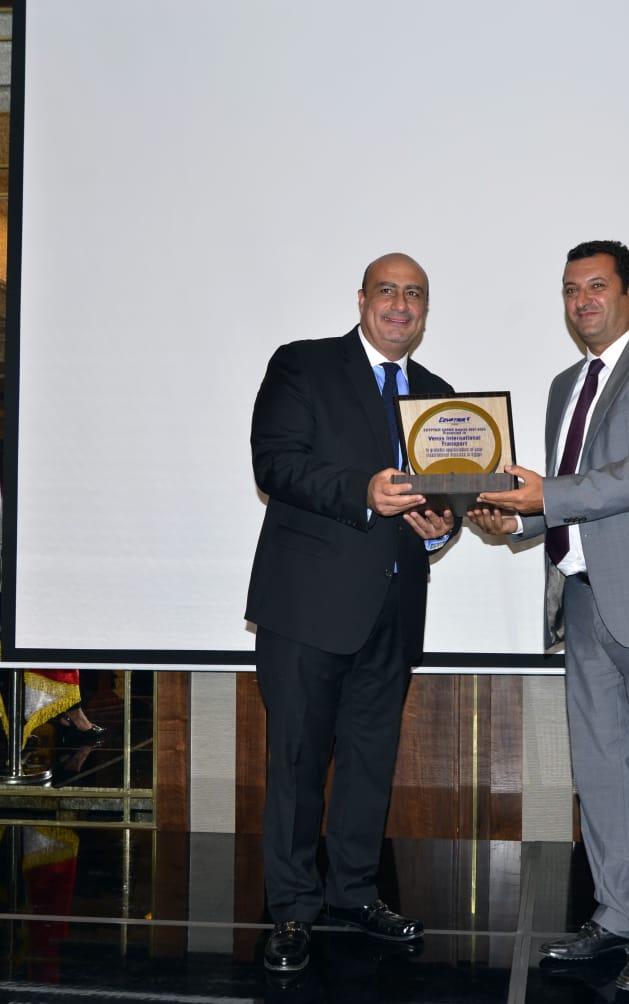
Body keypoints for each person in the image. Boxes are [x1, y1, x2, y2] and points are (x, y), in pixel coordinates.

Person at [469, 240, 629, 995]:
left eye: (596, 286)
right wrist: (514, 518)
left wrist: (544, 496)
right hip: (583, 601)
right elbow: (571, 493)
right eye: (570, 290)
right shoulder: (565, 385)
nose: (582, 301)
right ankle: (621, 910)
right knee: (604, 771)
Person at [246, 252, 456, 977]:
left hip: (393, 609)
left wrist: (442, 524)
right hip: (307, 606)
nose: (401, 304)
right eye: (387, 291)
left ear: (425, 311)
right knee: (297, 764)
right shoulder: (303, 365)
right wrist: (364, 491)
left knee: (370, 763)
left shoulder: (439, 397)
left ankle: (356, 893)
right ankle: (291, 909)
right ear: (362, 299)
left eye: (414, 294)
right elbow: (276, 463)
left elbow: (443, 498)